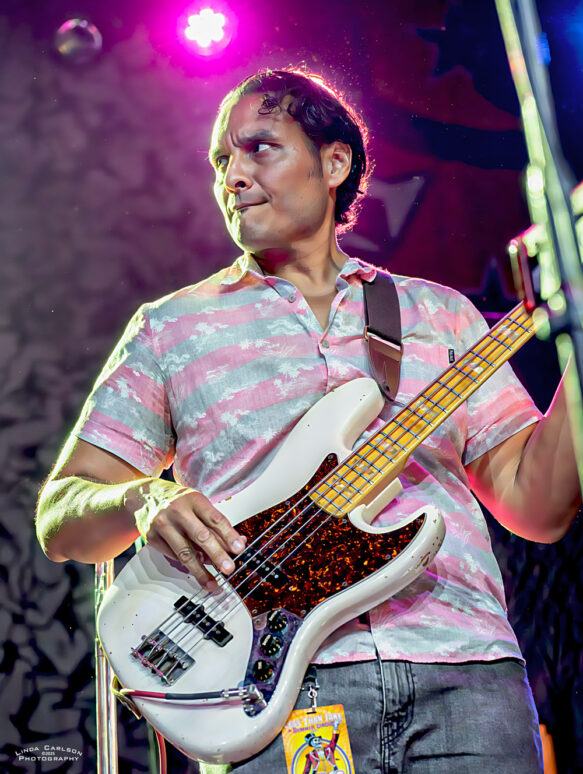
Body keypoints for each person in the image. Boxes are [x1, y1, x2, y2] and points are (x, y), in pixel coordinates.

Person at [36, 69, 581, 773]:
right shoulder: (171, 328)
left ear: (334, 162)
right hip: (274, 688)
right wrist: (144, 498)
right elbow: (62, 516)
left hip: (465, 674)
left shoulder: (440, 315)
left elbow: (537, 507)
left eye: (259, 148)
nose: (232, 176)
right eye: (221, 160)